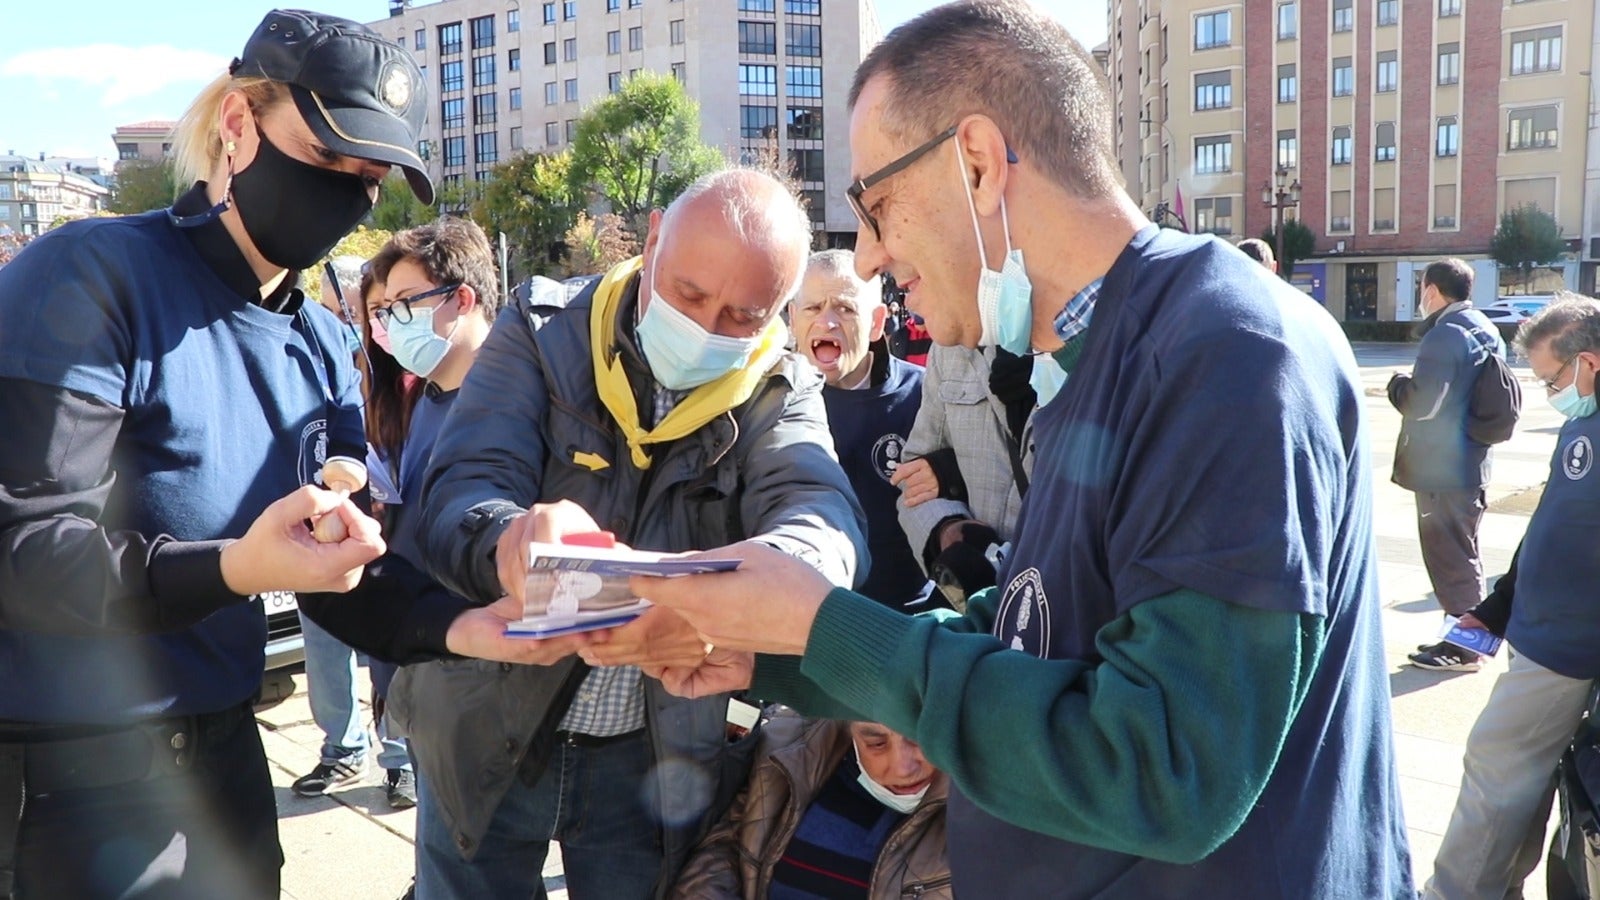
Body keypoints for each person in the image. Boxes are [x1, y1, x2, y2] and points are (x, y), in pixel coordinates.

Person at [629, 3, 1413, 897]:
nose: (875, 256)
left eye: (876, 205)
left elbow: (1166, 771)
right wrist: (770, 652)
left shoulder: (1230, 352)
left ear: (975, 162)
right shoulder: (1094, 362)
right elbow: (1035, 633)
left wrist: (822, 621)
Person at [0, 10, 425, 896]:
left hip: (229, 764)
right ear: (238, 124)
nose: (350, 194)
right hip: (79, 770)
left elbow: (344, 524)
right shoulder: (92, 276)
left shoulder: (313, 334)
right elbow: (26, 553)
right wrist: (233, 567)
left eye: (371, 179)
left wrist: (482, 624)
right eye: (329, 160)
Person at [391, 168, 867, 899]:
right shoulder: (542, 329)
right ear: (652, 238)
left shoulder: (779, 385)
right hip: (483, 725)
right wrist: (513, 543)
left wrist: (728, 612)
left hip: (651, 761)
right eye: (689, 294)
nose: (708, 329)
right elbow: (460, 489)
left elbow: (824, 521)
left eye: (744, 315)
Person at [1423, 296, 1600, 900]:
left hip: (1567, 644)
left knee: (1495, 768)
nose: (1547, 390)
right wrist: (1499, 604)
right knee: (1519, 780)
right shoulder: (1585, 418)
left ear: (1589, 363)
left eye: (1551, 377)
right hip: (1540, 629)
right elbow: (1554, 518)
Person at [291, 255, 414, 804]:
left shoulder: (395, 367)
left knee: (390, 649)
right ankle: (342, 750)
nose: (333, 318)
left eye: (344, 308)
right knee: (323, 647)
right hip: (319, 526)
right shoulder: (309, 354)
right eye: (326, 307)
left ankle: (401, 756)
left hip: (385, 532)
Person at [670, 708, 950, 900]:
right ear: (847, 726)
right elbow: (724, 850)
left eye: (919, 738)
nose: (903, 767)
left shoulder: (981, 809)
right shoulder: (787, 752)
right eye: (876, 743)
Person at [791, 249, 929, 608]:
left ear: (876, 322)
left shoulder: (925, 394)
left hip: (906, 616)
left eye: (845, 308)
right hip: (803, 618)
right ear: (792, 318)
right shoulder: (766, 403)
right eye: (812, 308)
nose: (827, 322)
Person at [1391, 258, 1504, 672]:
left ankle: (1465, 648)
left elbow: (1423, 405)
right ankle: (1464, 640)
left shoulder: (1446, 334)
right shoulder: (1484, 327)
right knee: (1463, 552)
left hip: (1442, 467)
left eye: (1422, 287)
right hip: (1472, 462)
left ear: (1433, 290)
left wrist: (1398, 385)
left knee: (1449, 557)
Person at [891, 342, 1035, 610]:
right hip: (979, 620)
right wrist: (947, 530)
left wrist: (949, 475)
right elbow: (912, 483)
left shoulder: (1089, 347)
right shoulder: (948, 350)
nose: (911, 305)